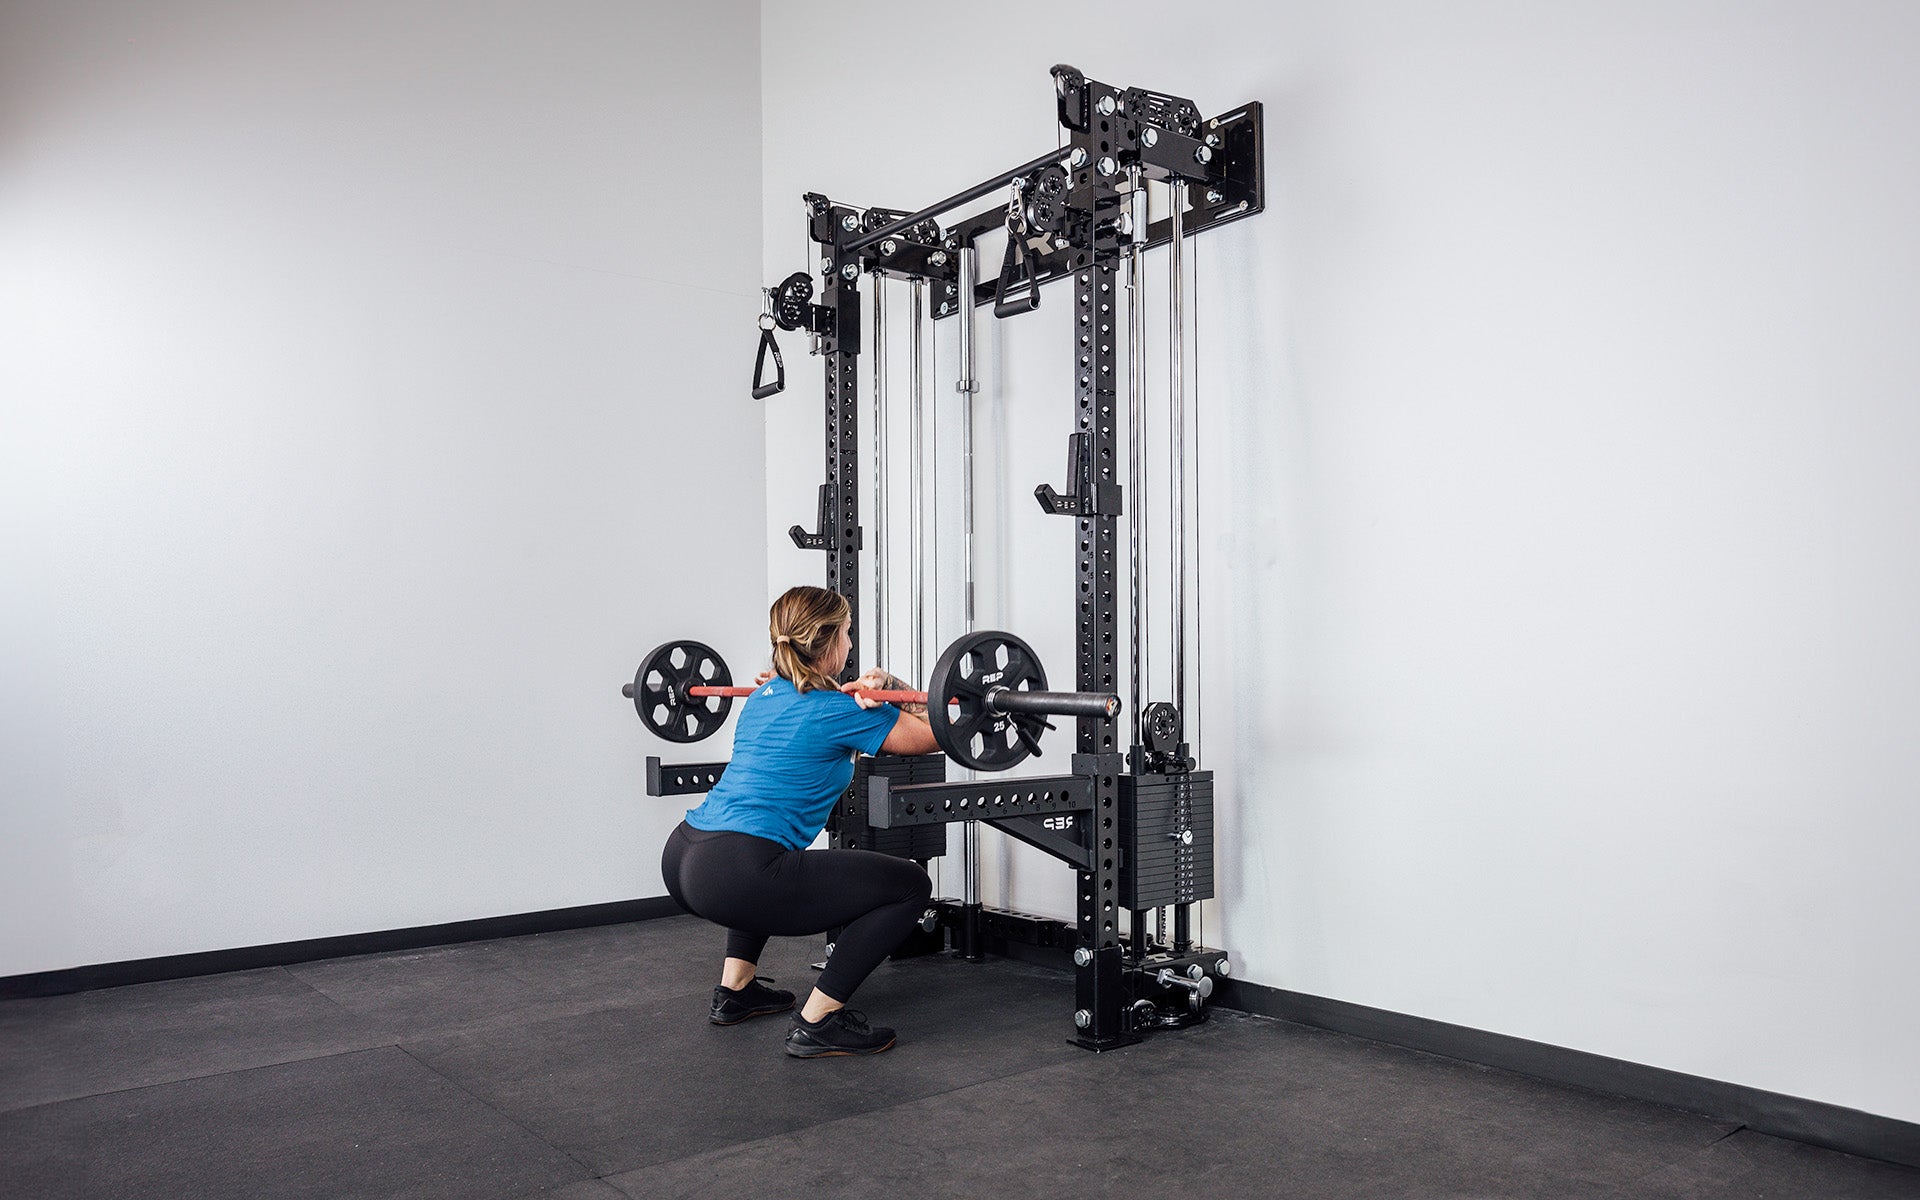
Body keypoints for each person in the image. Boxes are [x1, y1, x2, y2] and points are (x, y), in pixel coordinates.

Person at [660, 585, 940, 1057]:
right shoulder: (839, 710)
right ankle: (819, 1020)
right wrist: (891, 686)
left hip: (685, 854)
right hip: (736, 871)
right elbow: (935, 735)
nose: (851, 644)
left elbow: (802, 705)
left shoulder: (764, 694)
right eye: (847, 633)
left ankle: (736, 991)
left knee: (773, 855)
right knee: (911, 885)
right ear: (827, 643)